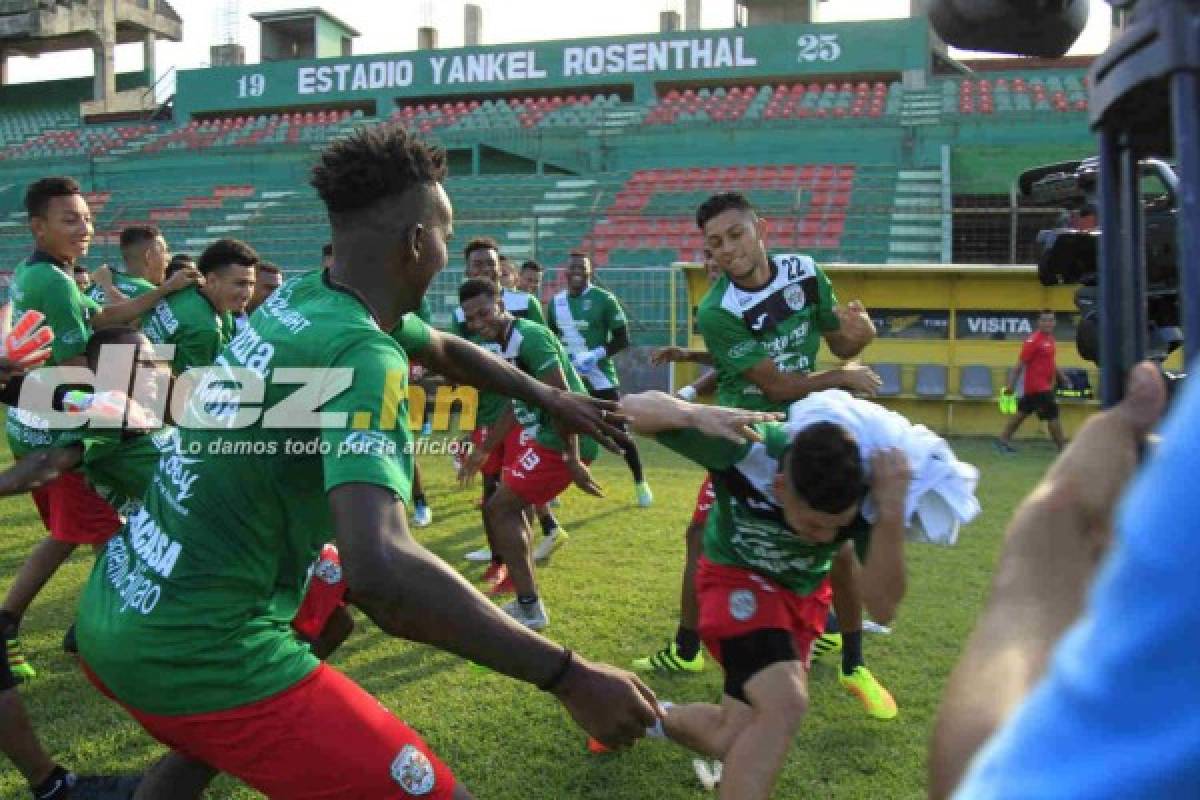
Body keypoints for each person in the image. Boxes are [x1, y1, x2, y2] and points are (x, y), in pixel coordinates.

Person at [72, 123, 659, 800]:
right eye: (445, 233)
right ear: (416, 242)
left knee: (329, 611)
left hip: (119, 602)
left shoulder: (304, 296)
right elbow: (381, 571)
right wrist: (569, 675)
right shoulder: (359, 352)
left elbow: (439, 346)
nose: (449, 253)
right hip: (193, 648)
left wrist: (549, 394)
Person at [620, 387, 978, 800]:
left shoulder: (864, 495)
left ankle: (635, 712)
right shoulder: (749, 449)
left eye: (834, 527)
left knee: (730, 735)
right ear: (781, 485)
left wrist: (891, 513)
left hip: (800, 604)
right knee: (786, 703)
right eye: (812, 525)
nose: (825, 537)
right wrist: (690, 412)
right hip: (735, 581)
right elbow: (629, 408)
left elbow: (882, 608)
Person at [633, 191, 894, 720]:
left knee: (837, 544)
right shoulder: (717, 310)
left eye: (736, 235)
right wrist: (842, 375)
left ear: (761, 229)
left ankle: (852, 663)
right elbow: (773, 387)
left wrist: (861, 335)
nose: (727, 250)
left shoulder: (804, 270)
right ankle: (689, 651)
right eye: (714, 243)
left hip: (809, 424)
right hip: (742, 436)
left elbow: (841, 342)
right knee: (703, 538)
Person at [929, 362, 1197, 799]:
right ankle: (1006, 439)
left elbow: (985, 776)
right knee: (1039, 415)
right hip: (1036, 389)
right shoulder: (1037, 343)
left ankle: (1013, 441)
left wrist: (1050, 526)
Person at [1, 177, 200, 681]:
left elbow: (104, 319)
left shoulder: (43, 271)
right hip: (58, 425)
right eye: (70, 219)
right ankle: (59, 630)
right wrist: (128, 409)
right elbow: (73, 373)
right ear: (38, 226)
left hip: (42, 418)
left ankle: (79, 631)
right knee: (112, 531)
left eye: (87, 218)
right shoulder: (52, 282)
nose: (84, 228)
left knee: (86, 531)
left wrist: (160, 293)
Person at [458, 278, 601, 629]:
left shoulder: (530, 338)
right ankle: (526, 598)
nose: (479, 323)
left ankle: (529, 605)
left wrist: (572, 458)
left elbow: (563, 401)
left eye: (484, 313)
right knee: (507, 506)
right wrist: (485, 449)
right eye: (471, 319)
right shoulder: (507, 344)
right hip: (548, 437)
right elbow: (515, 401)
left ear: (501, 304)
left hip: (562, 439)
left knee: (499, 508)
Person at [547, 252, 653, 507]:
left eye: (581, 268)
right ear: (565, 271)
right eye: (572, 267)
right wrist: (564, 362)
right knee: (558, 431)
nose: (576, 272)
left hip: (600, 375)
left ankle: (640, 483)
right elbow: (550, 339)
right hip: (569, 377)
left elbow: (622, 338)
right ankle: (551, 490)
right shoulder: (556, 303)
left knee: (619, 431)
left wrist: (596, 354)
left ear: (590, 272)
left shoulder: (604, 299)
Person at [141, 237, 256, 375]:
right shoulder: (206, 331)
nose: (247, 293)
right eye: (240, 284)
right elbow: (188, 387)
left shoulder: (183, 286)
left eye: (251, 284)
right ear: (212, 280)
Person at [996, 309, 1069, 453]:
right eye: (1044, 320)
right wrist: (1010, 386)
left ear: (1054, 322)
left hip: (1040, 387)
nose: (1048, 323)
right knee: (1053, 415)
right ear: (1039, 322)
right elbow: (1019, 365)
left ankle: (1002, 441)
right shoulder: (1033, 341)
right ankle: (1063, 448)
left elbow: (1051, 361)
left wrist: (1061, 376)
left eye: (1050, 320)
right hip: (1038, 387)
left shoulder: (1050, 340)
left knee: (1021, 414)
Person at [88, 225, 169, 305]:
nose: (168, 257)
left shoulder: (93, 287)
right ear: (148, 257)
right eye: (164, 251)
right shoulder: (152, 296)